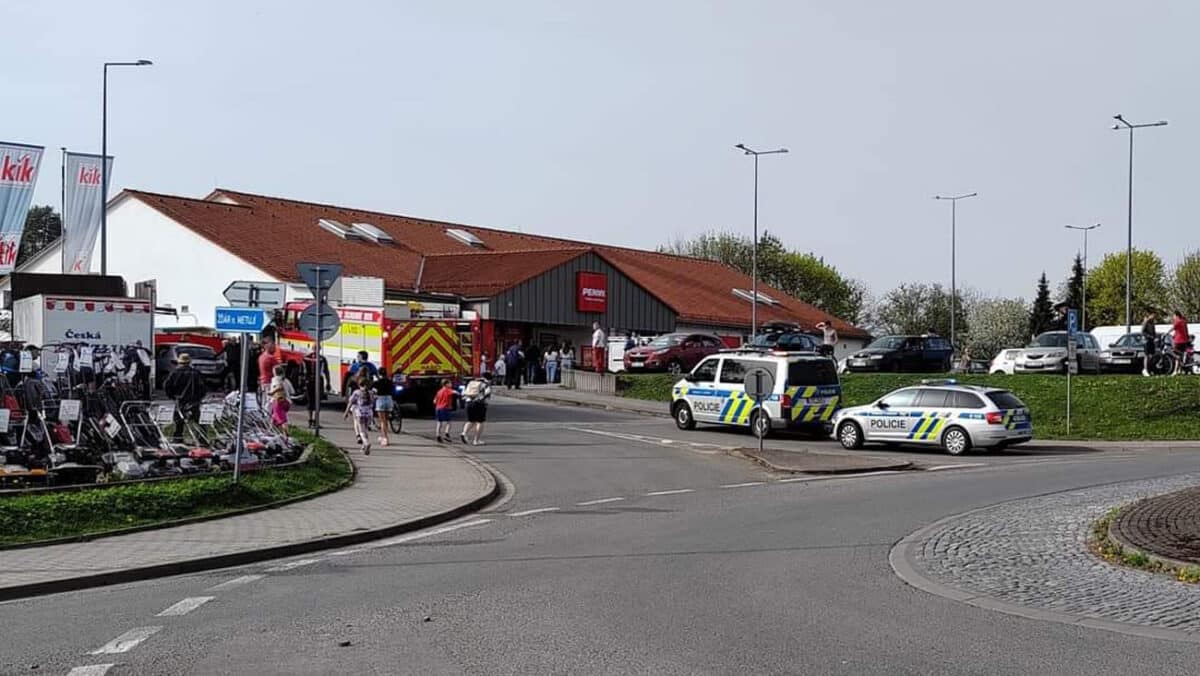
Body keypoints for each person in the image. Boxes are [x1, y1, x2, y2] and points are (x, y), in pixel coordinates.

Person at [163, 352, 207, 443]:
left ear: (179, 362)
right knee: (198, 420)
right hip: (194, 400)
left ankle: (177, 438)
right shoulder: (196, 373)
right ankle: (202, 438)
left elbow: (166, 386)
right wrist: (200, 397)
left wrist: (172, 396)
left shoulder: (174, 372)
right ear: (189, 362)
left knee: (179, 420)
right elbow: (203, 387)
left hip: (180, 399)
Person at [343, 376, 375, 454]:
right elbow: (372, 403)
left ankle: (366, 443)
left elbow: (350, 402)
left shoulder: (356, 392)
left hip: (360, 413)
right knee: (366, 430)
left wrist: (346, 412)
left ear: (359, 384)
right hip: (369, 414)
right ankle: (364, 447)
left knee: (361, 431)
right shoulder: (371, 393)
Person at [459, 374, 491, 445]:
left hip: (469, 403)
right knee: (480, 422)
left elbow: (463, 394)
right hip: (479, 404)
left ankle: (464, 433)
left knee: (471, 420)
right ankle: (476, 440)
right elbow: (487, 393)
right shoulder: (485, 384)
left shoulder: (470, 383)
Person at [268, 364, 295, 439]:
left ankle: (286, 436)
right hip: (287, 402)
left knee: (282, 420)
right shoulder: (286, 380)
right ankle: (270, 431)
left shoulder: (275, 379)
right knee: (274, 417)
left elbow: (279, 387)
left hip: (278, 401)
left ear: (275, 372)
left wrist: (272, 392)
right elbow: (292, 391)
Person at [371, 368, 394, 446]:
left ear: (379, 374)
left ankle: (385, 438)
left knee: (382, 421)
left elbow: (373, 392)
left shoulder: (376, 383)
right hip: (389, 399)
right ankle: (382, 435)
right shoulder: (390, 382)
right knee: (386, 420)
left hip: (380, 400)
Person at [257, 331, 279, 402]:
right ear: (266, 346)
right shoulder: (270, 358)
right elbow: (278, 371)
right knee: (270, 403)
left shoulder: (261, 356)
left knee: (265, 401)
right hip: (270, 383)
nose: (275, 346)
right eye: (272, 344)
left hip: (263, 382)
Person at [1171, 310, 1190, 375]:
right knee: (1180, 355)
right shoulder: (1184, 321)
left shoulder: (1177, 321)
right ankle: (1179, 370)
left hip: (1178, 341)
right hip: (1184, 341)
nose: (1173, 317)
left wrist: (1166, 333)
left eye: (1173, 316)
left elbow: (1173, 328)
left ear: (1176, 315)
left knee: (1174, 353)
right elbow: (1183, 331)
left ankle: (1176, 370)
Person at [1141, 310, 1158, 377]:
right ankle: (1145, 370)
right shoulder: (1146, 322)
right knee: (1147, 355)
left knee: (1152, 356)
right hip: (1147, 341)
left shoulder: (1152, 323)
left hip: (1152, 340)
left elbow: (1154, 332)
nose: (1154, 317)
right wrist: (1149, 336)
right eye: (1153, 315)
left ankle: (1150, 369)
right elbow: (1143, 332)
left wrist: (1155, 337)